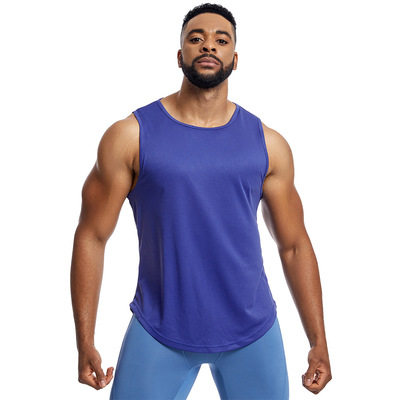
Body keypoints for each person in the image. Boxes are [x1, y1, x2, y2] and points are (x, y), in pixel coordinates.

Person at [70, 3, 331, 399]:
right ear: (180, 56)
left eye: (221, 40)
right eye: (196, 38)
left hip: (251, 331)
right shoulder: (130, 136)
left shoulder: (268, 145)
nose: (209, 45)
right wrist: (84, 339)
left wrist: (318, 340)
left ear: (235, 59)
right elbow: (92, 235)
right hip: (159, 330)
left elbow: (294, 245)